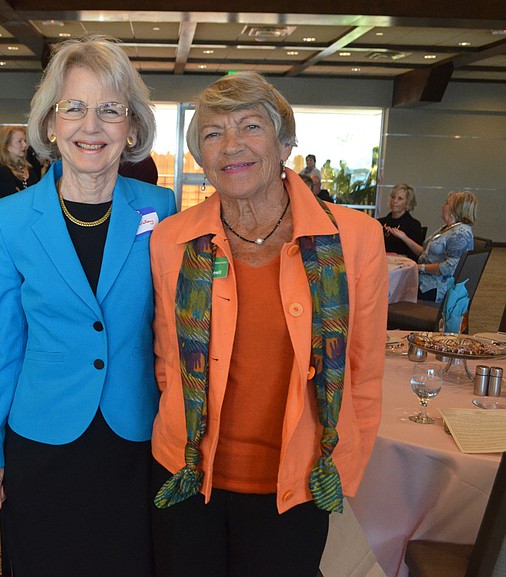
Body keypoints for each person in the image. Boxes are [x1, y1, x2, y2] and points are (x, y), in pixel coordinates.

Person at [148, 72, 387, 577]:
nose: (231, 145)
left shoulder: (354, 238)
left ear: (284, 144)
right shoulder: (172, 239)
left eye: (250, 126)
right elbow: (168, 360)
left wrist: (341, 470)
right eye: (212, 133)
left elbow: (362, 371)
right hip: (188, 475)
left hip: (296, 483)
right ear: (200, 158)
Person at [0, 35, 177, 577]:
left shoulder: (164, 210)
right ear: (49, 124)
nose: (92, 126)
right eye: (75, 108)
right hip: (41, 440)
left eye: (111, 110)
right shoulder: (9, 218)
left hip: (133, 439)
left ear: (131, 128)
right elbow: (2, 343)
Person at [387, 190, 476, 302]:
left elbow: (450, 267)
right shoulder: (447, 228)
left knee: (390, 292)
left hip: (435, 288)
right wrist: (404, 237)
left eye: (447, 203)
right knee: (390, 287)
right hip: (423, 281)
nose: (443, 206)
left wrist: (419, 267)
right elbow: (425, 253)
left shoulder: (460, 233)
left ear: (454, 209)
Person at [378, 183, 424, 259]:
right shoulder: (380, 223)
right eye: (393, 197)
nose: (395, 201)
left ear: (407, 203)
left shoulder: (413, 225)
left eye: (400, 198)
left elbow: (419, 253)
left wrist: (404, 237)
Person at [0, 125, 39, 197]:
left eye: (25, 141)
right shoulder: (2, 171)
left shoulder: (29, 168)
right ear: (6, 145)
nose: (25, 145)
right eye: (19, 141)